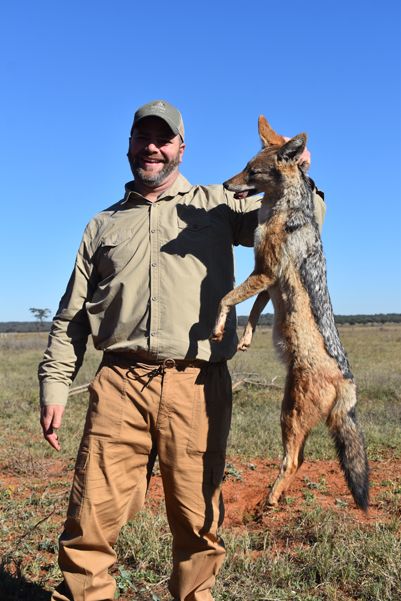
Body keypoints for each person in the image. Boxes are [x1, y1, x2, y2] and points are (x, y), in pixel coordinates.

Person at [39, 100, 325, 601]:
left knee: (199, 525)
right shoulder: (102, 225)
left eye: (163, 139)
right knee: (90, 522)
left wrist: (299, 175)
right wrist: (54, 385)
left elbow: (305, 219)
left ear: (180, 148)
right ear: (129, 145)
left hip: (196, 386)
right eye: (143, 138)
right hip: (119, 385)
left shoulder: (219, 203)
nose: (152, 147)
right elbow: (72, 317)